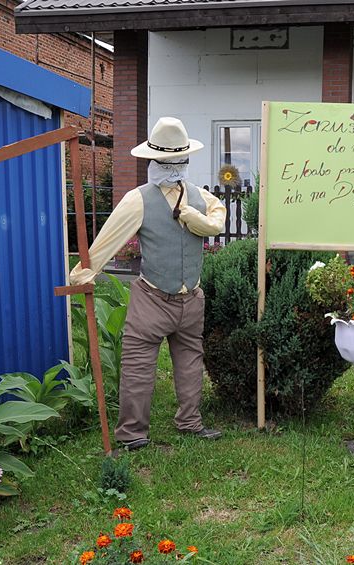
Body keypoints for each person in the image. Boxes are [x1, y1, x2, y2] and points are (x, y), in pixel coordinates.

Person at [70, 116, 227, 450]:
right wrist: (84, 273)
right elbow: (107, 240)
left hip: (191, 297)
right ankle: (132, 434)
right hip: (152, 299)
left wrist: (191, 216)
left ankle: (190, 422)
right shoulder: (138, 199)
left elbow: (216, 223)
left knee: (189, 361)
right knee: (138, 367)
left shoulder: (201, 199)